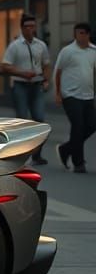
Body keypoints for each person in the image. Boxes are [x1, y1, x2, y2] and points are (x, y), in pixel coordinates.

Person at [1, 13, 51, 164]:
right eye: (27, 26)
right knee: (22, 121)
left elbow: (46, 63)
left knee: (39, 119)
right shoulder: (15, 46)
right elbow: (5, 65)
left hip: (37, 85)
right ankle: (19, 154)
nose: (30, 29)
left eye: (32, 26)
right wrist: (22, 73)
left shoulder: (40, 45)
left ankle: (37, 154)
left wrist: (46, 80)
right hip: (20, 85)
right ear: (22, 28)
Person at [54, 22, 96, 173]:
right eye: (77, 33)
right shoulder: (68, 51)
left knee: (91, 125)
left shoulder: (93, 51)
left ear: (88, 34)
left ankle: (66, 149)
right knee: (78, 126)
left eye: (82, 33)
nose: (79, 36)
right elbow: (58, 72)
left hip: (88, 95)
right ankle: (79, 163)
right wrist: (58, 93)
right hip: (70, 95)